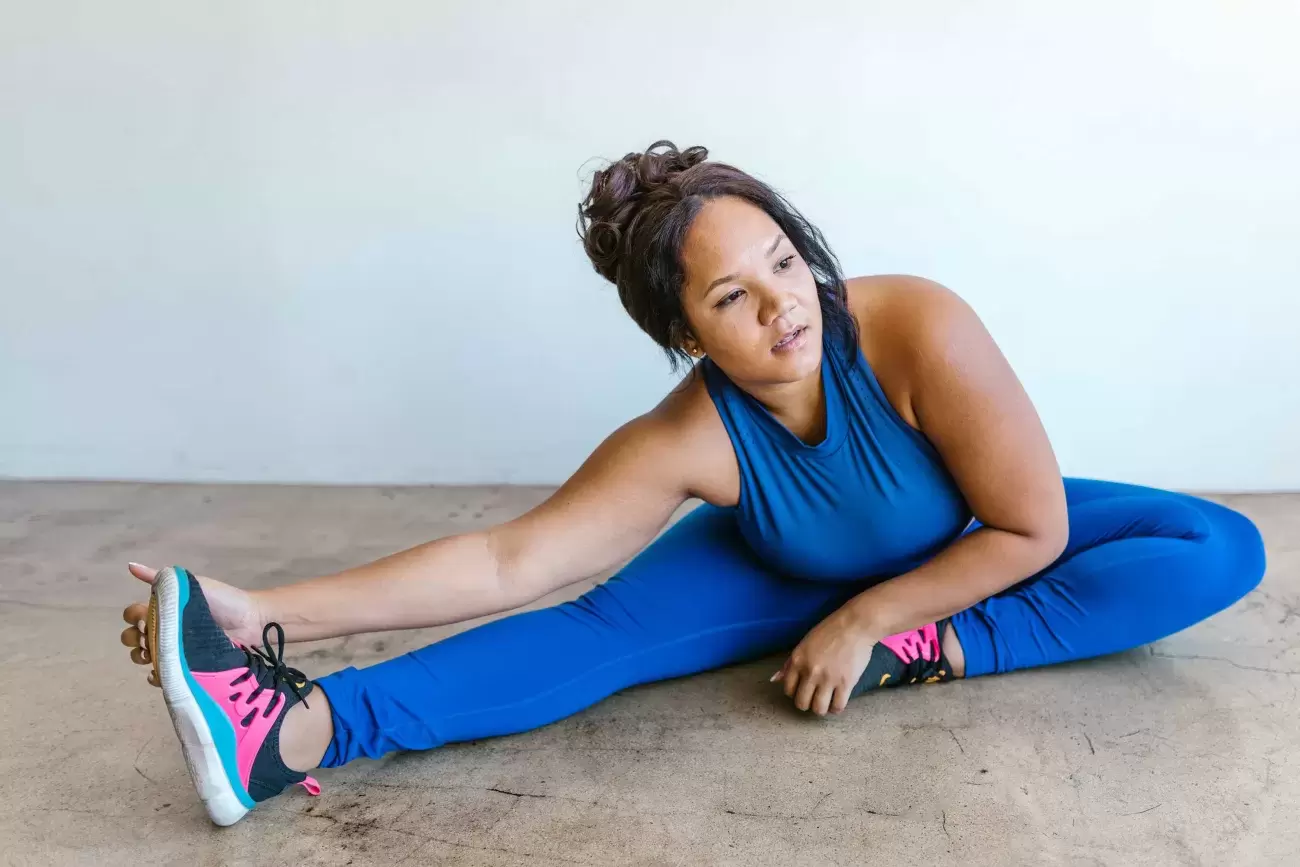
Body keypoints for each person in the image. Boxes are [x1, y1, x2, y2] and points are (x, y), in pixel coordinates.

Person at [119, 141, 1267, 826]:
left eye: (782, 261)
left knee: (1218, 549)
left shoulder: (918, 325)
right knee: (588, 635)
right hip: (782, 564)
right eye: (732, 300)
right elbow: (510, 559)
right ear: (683, 332)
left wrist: (877, 623)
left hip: (958, 538)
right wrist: (265, 611)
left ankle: (936, 648)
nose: (782, 308)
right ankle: (293, 733)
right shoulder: (688, 433)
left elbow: (1029, 526)